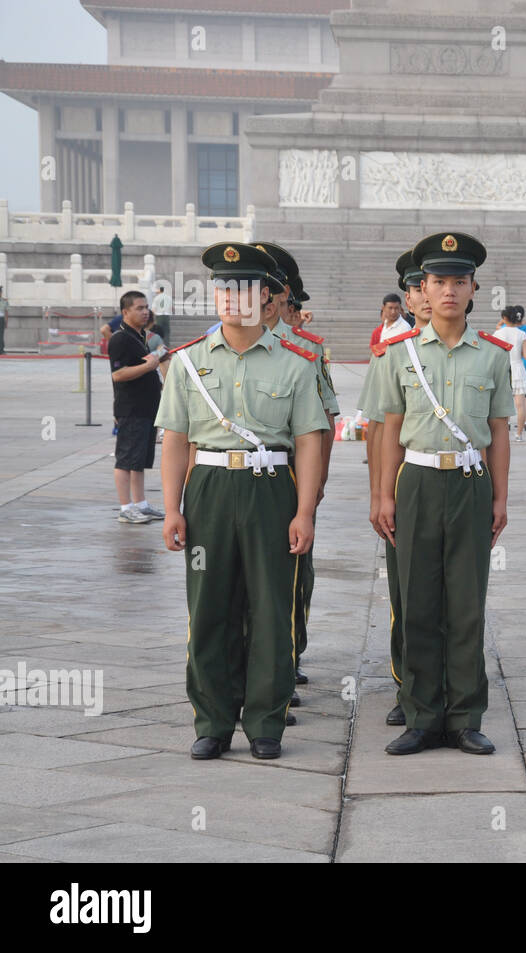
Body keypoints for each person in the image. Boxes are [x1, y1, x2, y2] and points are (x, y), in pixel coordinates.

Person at [155, 241, 328, 760]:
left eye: (247, 287)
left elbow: (310, 439)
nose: (233, 298)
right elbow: (175, 440)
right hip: (208, 490)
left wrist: (304, 510)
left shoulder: (295, 363)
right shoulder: (187, 363)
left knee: (272, 607)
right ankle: (212, 720)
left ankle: (265, 722)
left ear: (268, 296)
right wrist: (170, 507)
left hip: (272, 489)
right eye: (224, 288)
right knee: (209, 607)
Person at [374, 231, 513, 757]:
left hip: (471, 483)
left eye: (459, 281)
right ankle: (421, 714)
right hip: (418, 482)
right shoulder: (398, 354)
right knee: (417, 601)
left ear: (474, 289)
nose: (449, 291)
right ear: (422, 292)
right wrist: (385, 495)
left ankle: (465, 716)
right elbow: (389, 429)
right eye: (438, 282)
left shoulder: (493, 356)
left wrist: (500, 500)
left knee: (466, 603)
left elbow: (499, 432)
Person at [254, 241, 338, 692]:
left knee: (291, 572)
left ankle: (287, 656)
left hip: (289, 474)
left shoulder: (306, 350)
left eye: (267, 285)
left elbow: (323, 422)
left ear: (283, 293)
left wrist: (316, 485)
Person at [357, 246, 427, 727]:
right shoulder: (390, 353)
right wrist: (380, 492)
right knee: (406, 594)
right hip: (407, 484)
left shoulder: (483, 351)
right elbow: (378, 429)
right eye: (417, 287)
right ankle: (409, 685)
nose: (425, 295)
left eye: (432, 285)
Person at [108, 290, 167, 523]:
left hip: (146, 408)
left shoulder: (139, 336)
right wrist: (150, 365)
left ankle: (140, 503)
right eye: (139, 308)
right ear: (125, 312)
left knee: (140, 459)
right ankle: (125, 507)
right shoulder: (120, 338)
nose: (145, 312)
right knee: (126, 459)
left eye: (146, 307)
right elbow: (119, 374)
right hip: (131, 408)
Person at [493, 308, 526, 442]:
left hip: (503, 368)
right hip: (518, 368)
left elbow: (494, 353)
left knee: (502, 404)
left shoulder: (498, 333)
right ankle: (519, 434)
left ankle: (502, 433)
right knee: (520, 404)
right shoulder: (522, 334)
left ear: (504, 318)